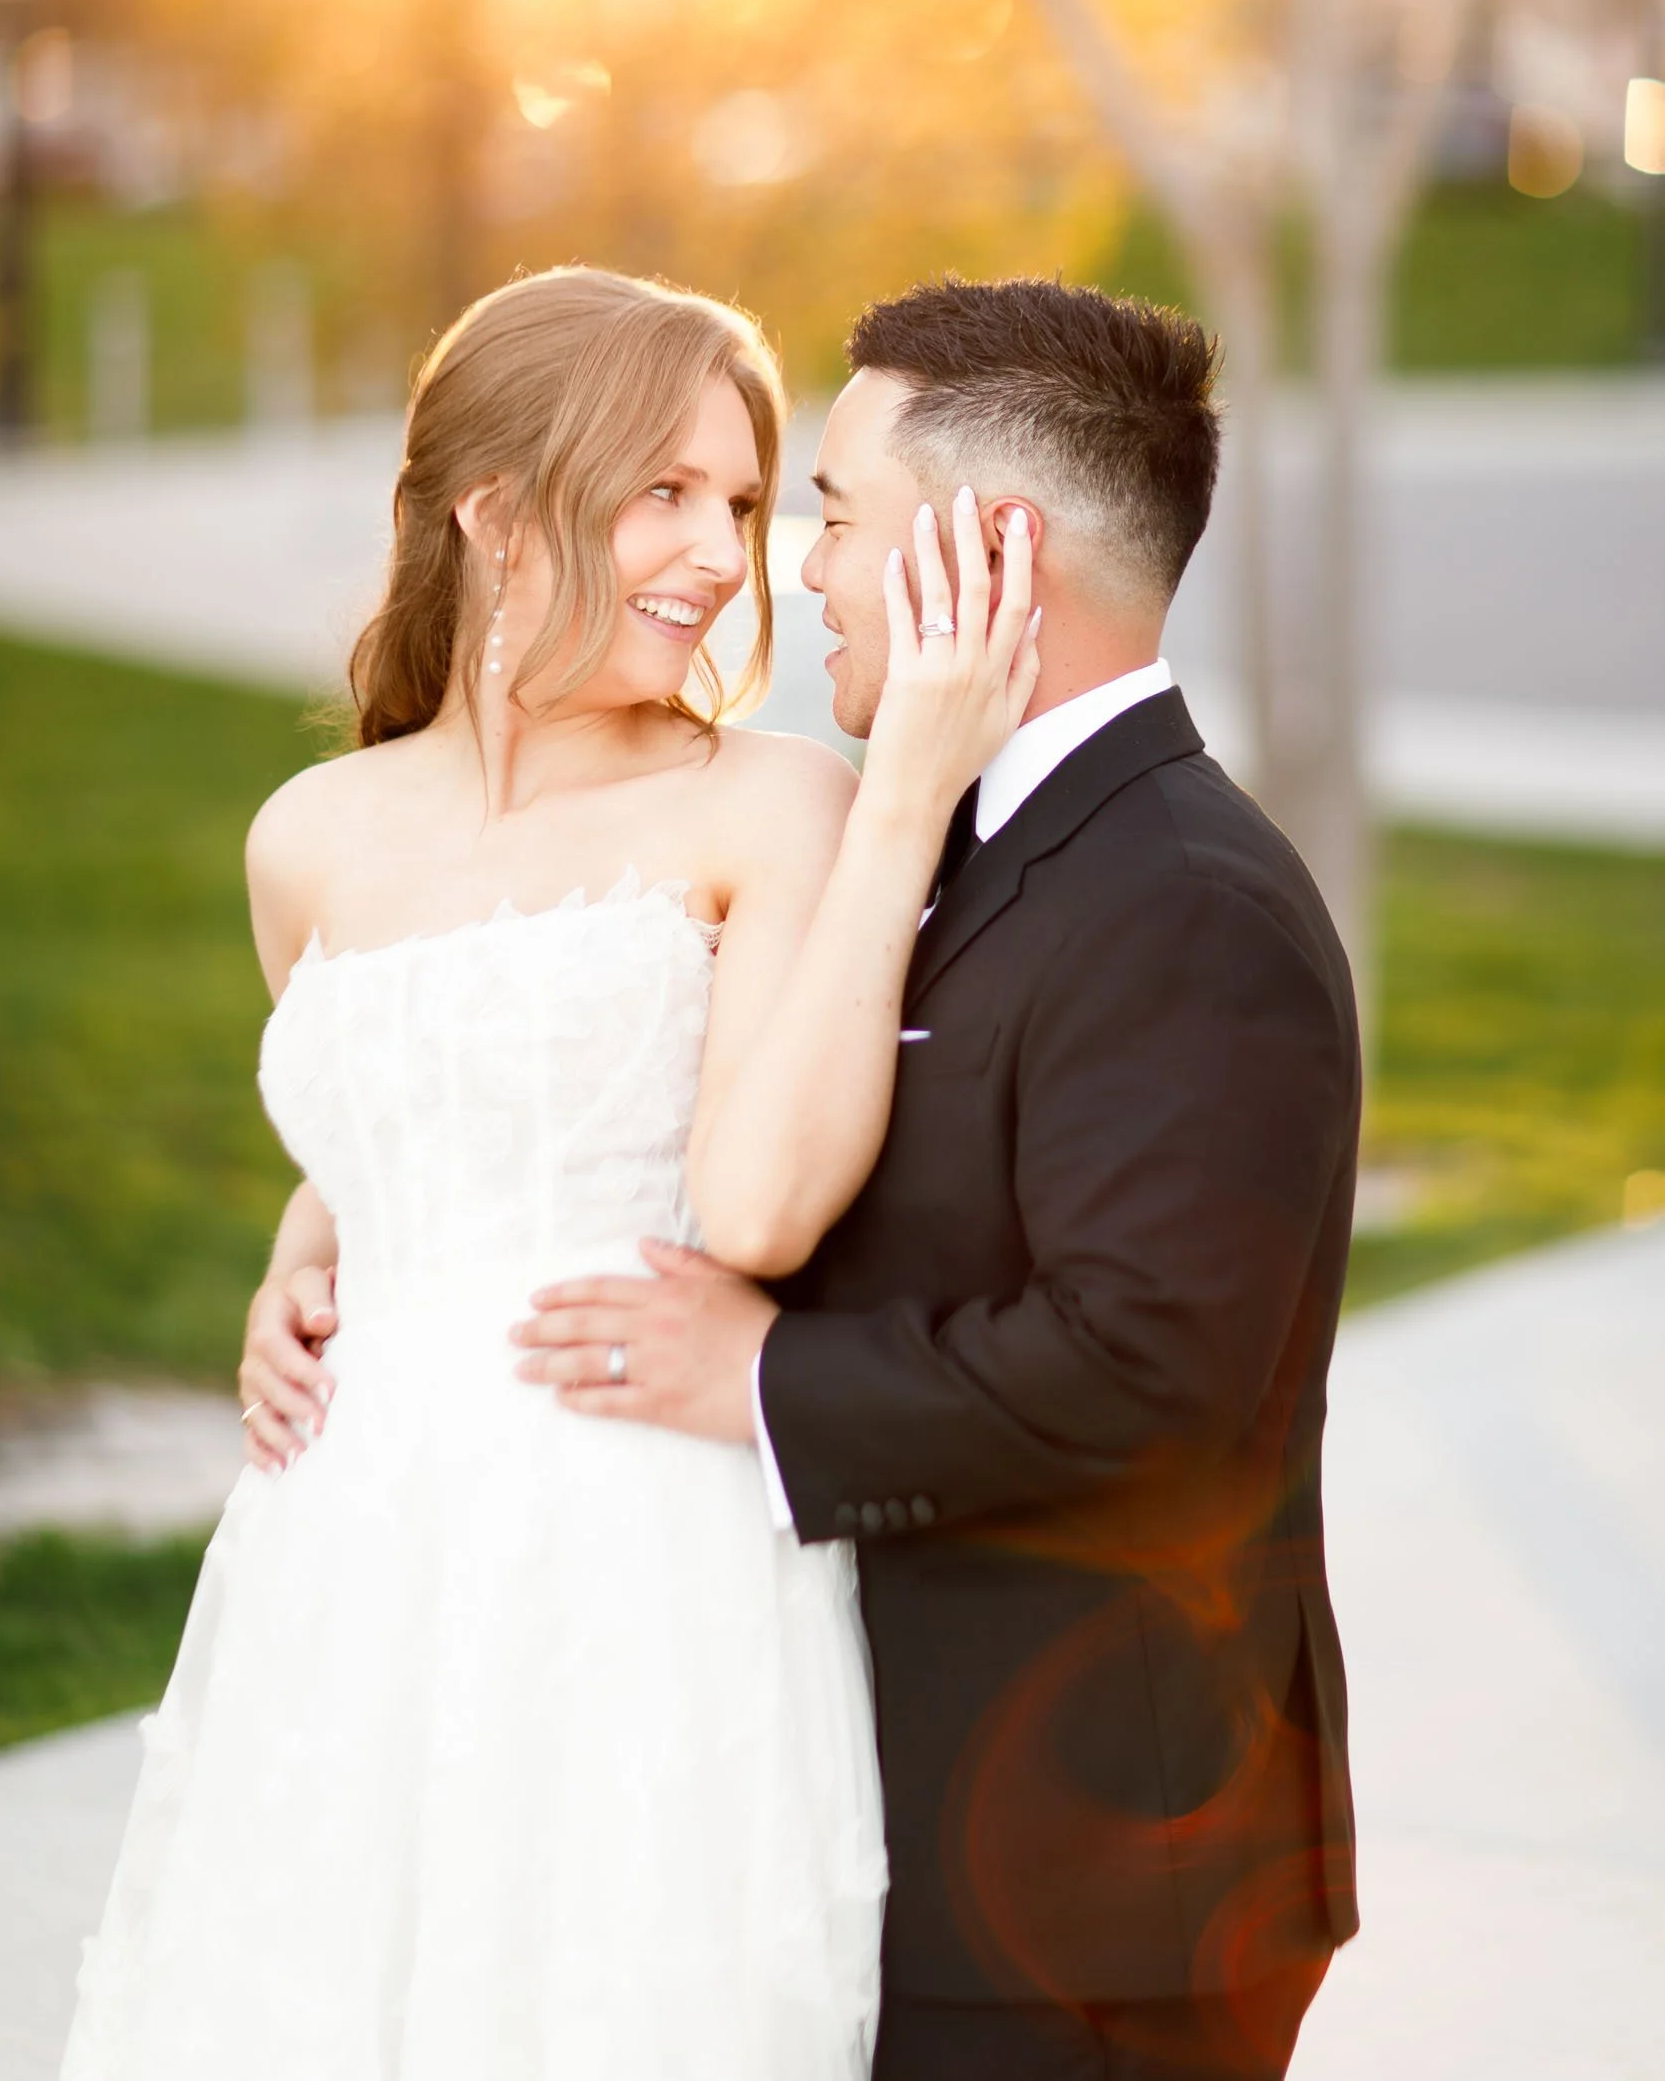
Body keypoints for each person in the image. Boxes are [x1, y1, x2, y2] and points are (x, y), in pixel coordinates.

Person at [62, 264, 1040, 2081]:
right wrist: (305, 1250)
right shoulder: (311, 839)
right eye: (661, 491)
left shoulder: (772, 802)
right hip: (347, 1556)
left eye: (745, 503)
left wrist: (901, 797)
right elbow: (387, 1116)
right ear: (496, 510)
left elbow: (756, 1209)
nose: (717, 551)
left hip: (633, 1545)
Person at [515, 277, 1363, 2081]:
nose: (795, 571)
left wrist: (750, 1377)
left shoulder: (1183, 903)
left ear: (989, 550)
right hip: (939, 1843)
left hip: (1095, 1891)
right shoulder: (979, 842)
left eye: (830, 513)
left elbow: (1144, 1370)